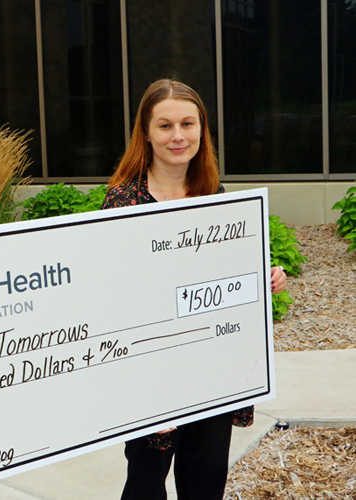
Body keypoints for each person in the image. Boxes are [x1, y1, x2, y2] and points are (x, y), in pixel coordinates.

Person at [102, 79, 287, 500]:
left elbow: (218, 283)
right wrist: (149, 396)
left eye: (188, 123)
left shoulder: (214, 196)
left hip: (210, 368)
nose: (178, 135)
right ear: (145, 133)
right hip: (152, 368)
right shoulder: (122, 204)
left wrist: (261, 281)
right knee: (145, 483)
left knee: (205, 480)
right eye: (165, 125)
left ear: (202, 130)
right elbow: (114, 302)